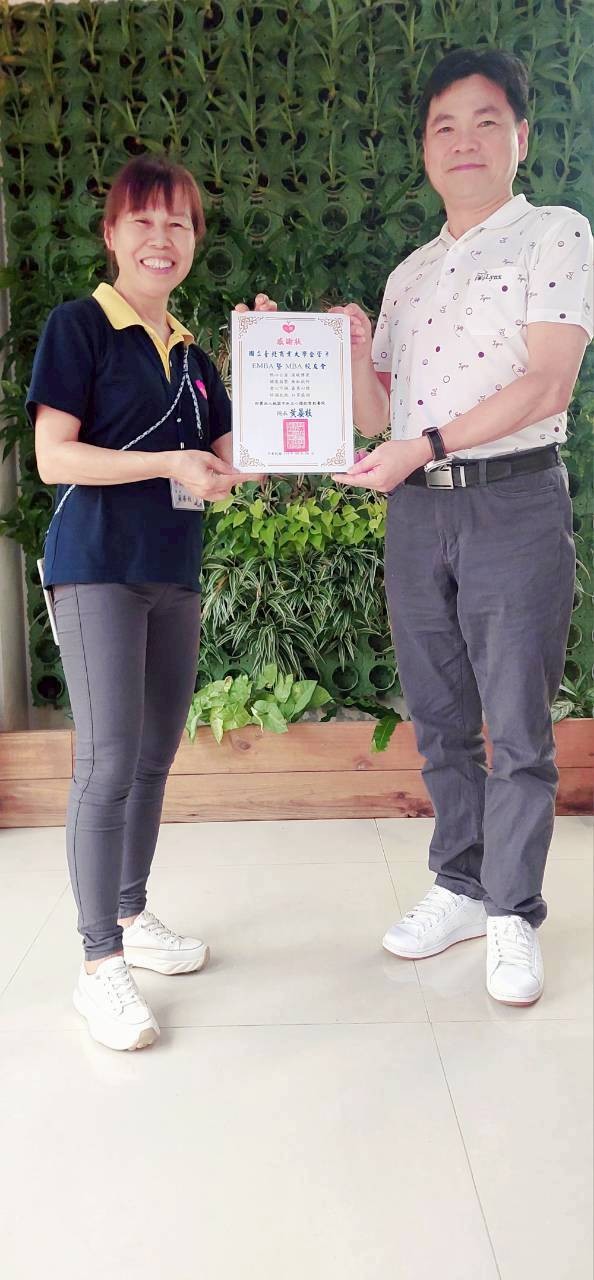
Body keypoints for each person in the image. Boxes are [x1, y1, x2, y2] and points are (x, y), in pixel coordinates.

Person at [331, 49, 592, 1005]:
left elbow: (548, 382)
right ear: (425, 150)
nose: (465, 141)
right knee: (440, 716)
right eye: (445, 126)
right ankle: (460, 885)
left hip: (512, 501)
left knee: (516, 724)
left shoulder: (556, 234)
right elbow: (378, 414)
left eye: (486, 122)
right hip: (417, 511)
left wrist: (426, 443)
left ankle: (513, 911)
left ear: (520, 137)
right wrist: (352, 351)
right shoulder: (409, 274)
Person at [28, 154, 274, 1051]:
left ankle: (130, 917)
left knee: (155, 756)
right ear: (112, 233)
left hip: (174, 571)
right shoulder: (79, 328)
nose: (161, 238)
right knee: (106, 764)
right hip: (96, 566)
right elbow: (55, 457)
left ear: (195, 240)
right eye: (144, 220)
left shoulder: (198, 359)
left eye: (179, 223)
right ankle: (100, 966)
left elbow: (238, 463)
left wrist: (274, 358)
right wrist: (167, 463)